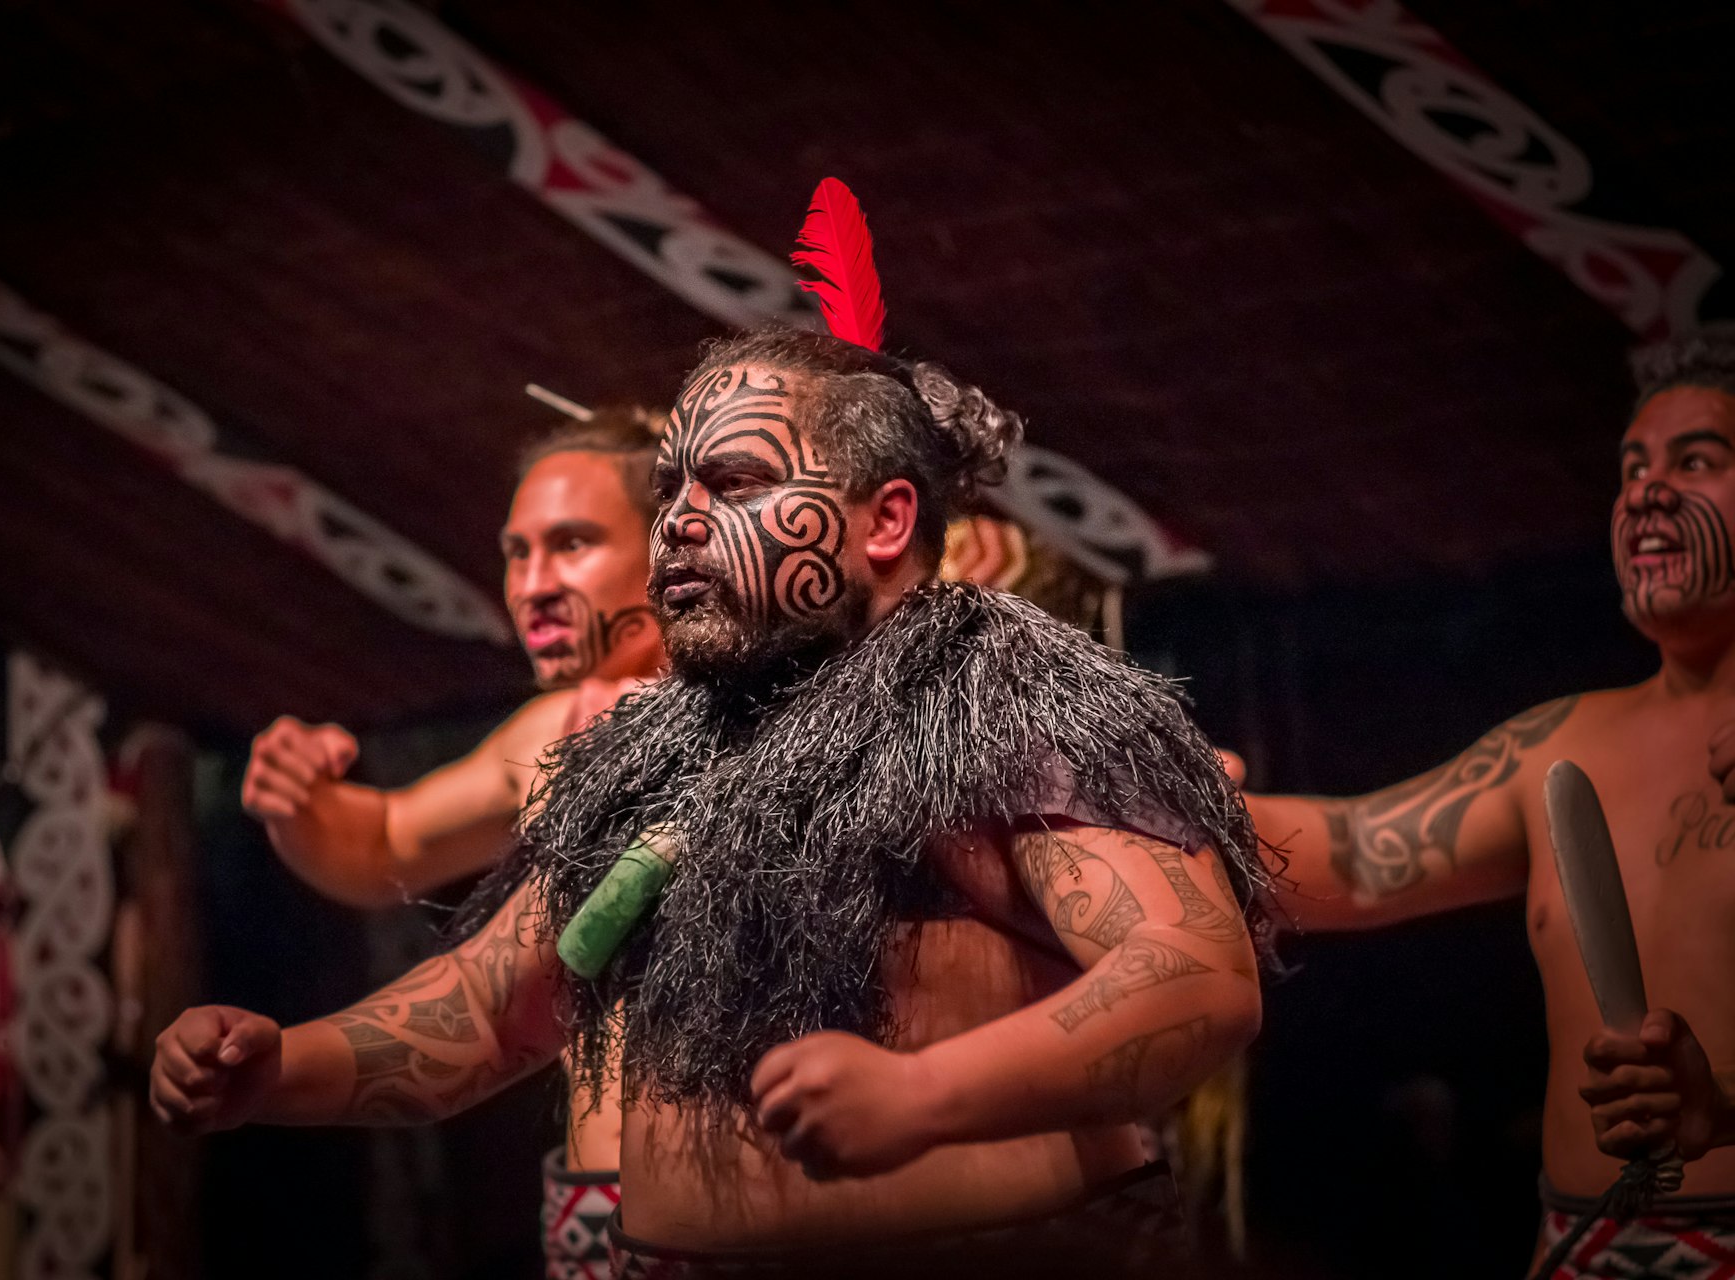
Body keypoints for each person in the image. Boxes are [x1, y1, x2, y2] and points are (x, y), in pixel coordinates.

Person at [153, 322, 1269, 1276]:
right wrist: (282, 1065)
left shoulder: (1014, 701)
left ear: (884, 520)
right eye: (672, 488)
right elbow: (491, 1009)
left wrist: (923, 1094)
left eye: (733, 483)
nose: (680, 520)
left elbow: (1192, 978)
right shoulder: (651, 747)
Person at [1240, 329, 1735, 1275]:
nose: (1646, 492)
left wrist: (1723, 1108)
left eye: (1695, 460)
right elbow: (1353, 857)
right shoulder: (1560, 745)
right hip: (1584, 1245)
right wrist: (1162, 792)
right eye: (1632, 468)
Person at [237, 406, 665, 1276]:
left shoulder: (775, 714)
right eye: (518, 553)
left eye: (572, 545)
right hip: (596, 1217)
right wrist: (301, 802)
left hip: (765, 1218)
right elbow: (385, 841)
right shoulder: (555, 730)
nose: (534, 584)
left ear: (670, 549)